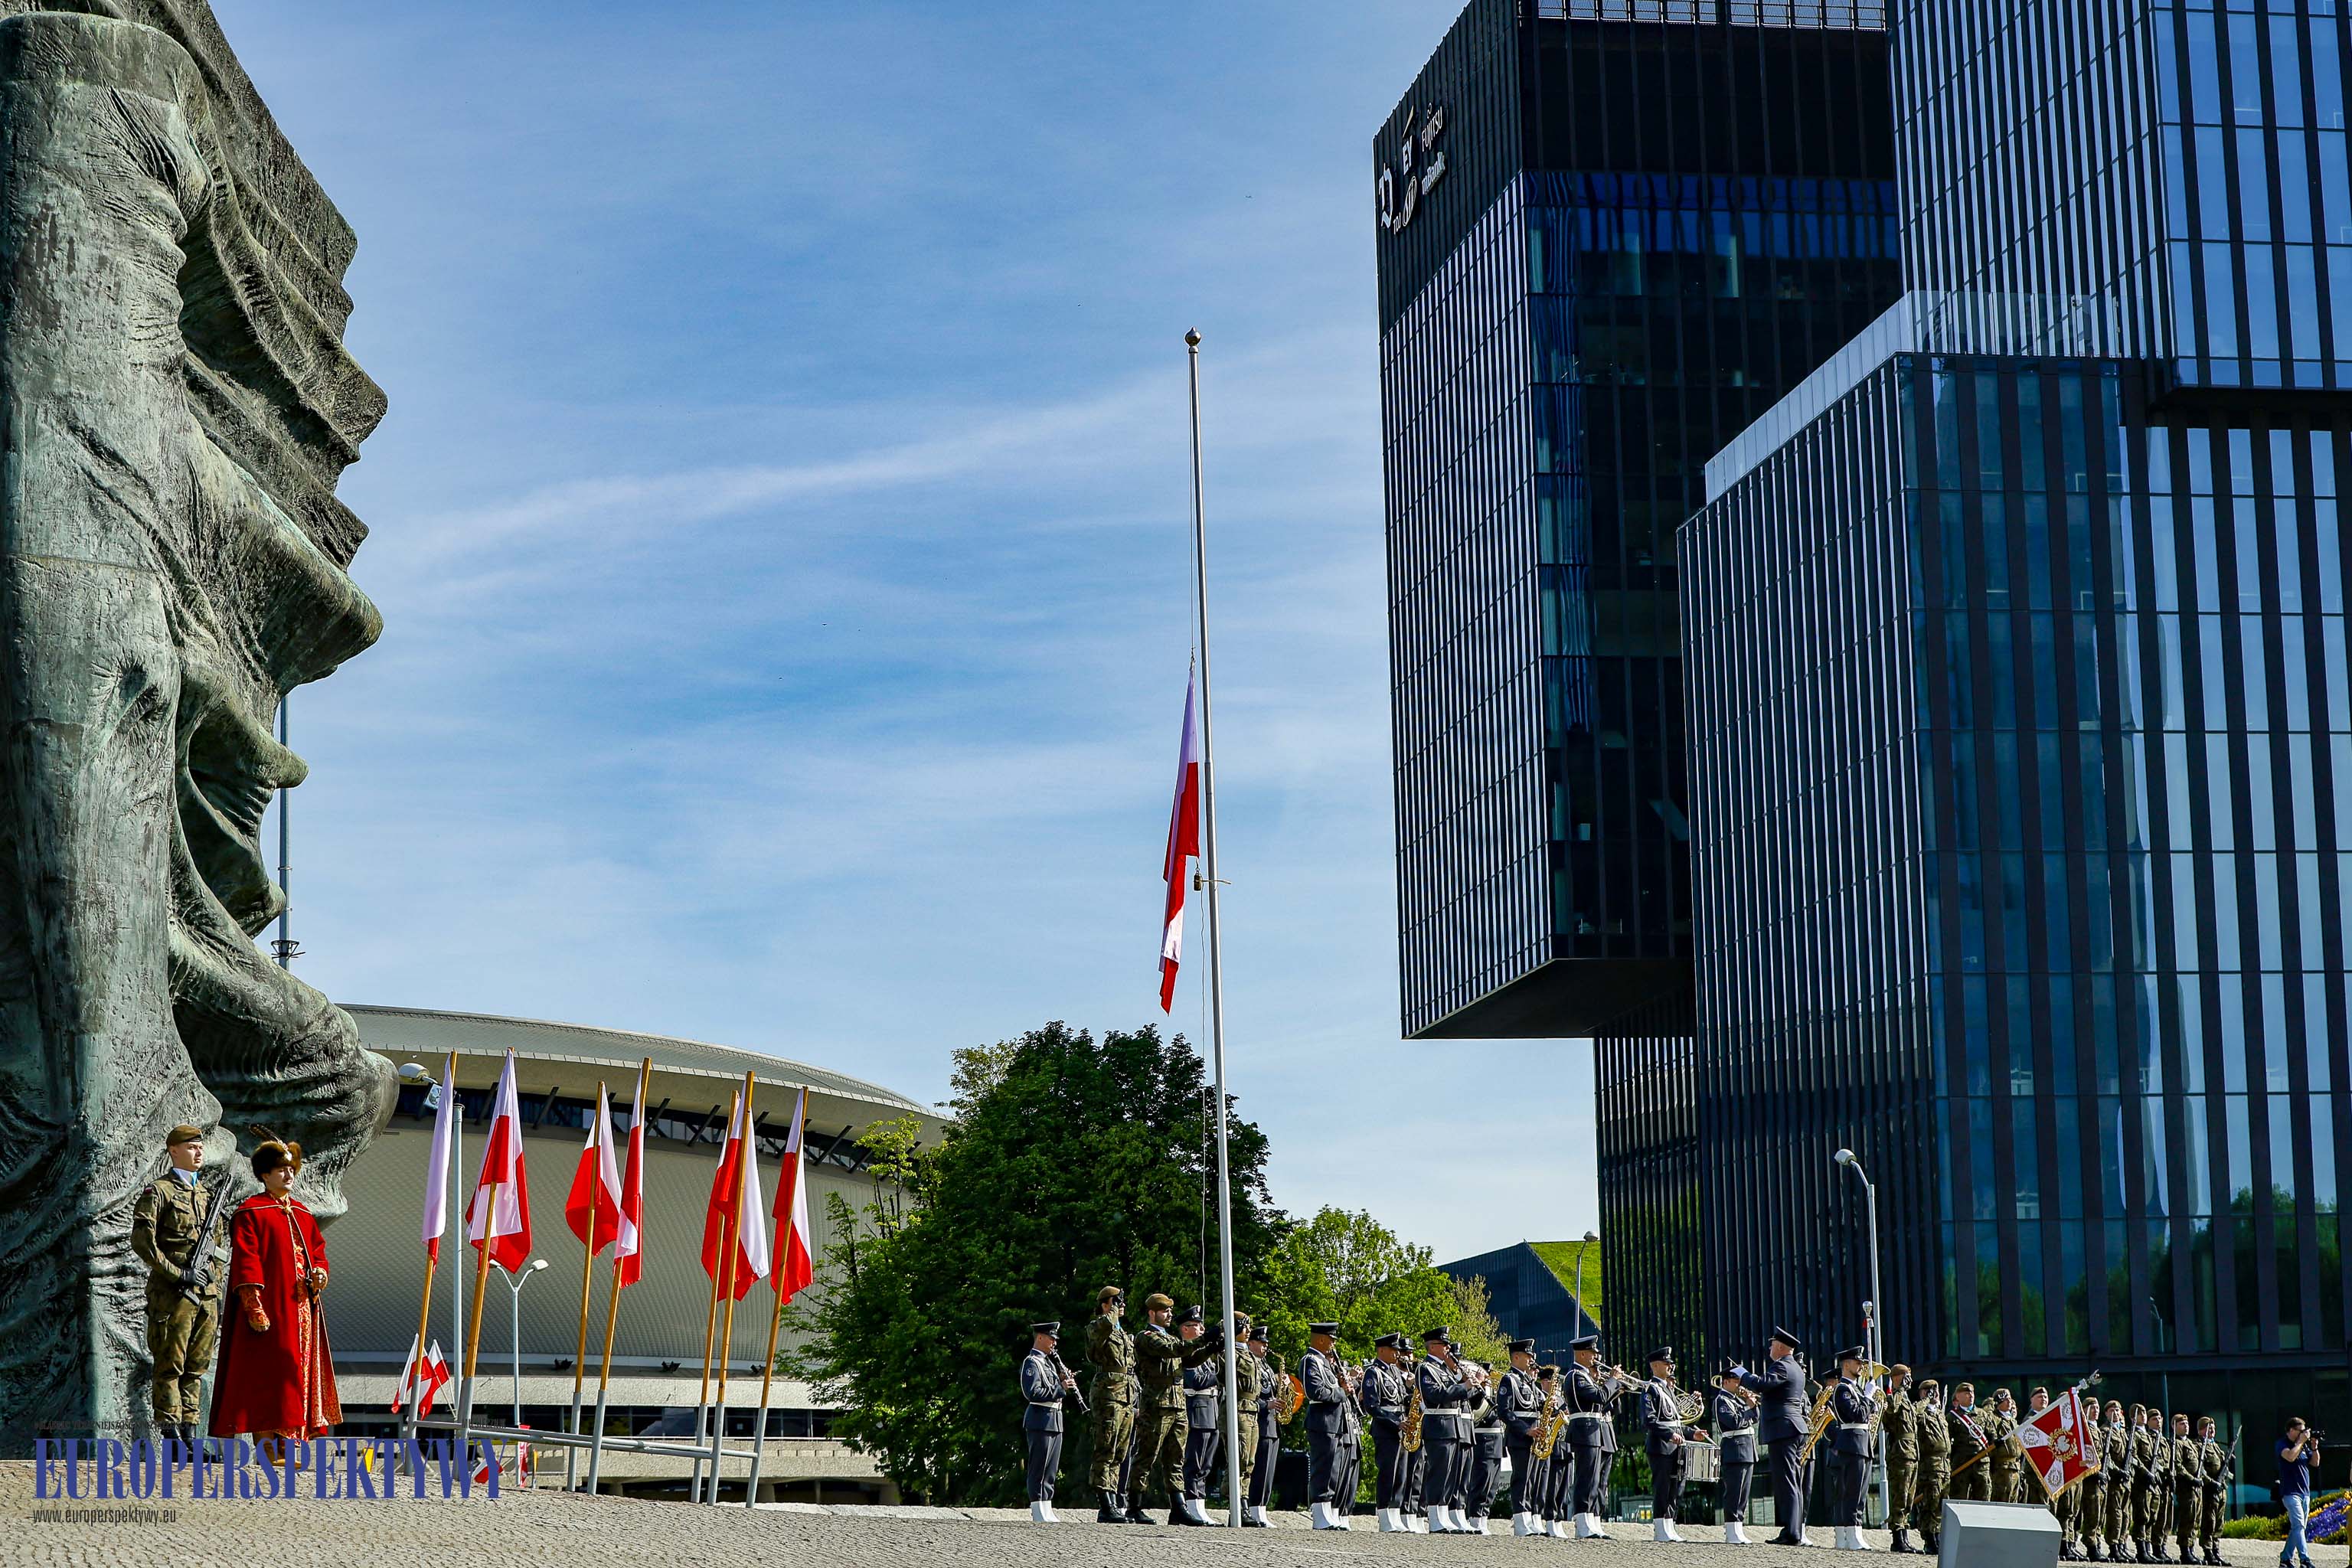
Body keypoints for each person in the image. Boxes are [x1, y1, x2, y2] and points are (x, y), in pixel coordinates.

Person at [206, 1140, 338, 1453]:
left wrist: (320, 1272)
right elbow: (246, 1260)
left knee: (298, 1374)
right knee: (269, 1378)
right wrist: (253, 1304)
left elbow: (317, 1252)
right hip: (271, 1310)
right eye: (282, 1170)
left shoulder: (303, 1213)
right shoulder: (250, 1213)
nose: (289, 1175)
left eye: (291, 1170)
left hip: (303, 1310)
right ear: (265, 1175)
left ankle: (293, 1444)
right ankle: (268, 1446)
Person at [130, 1123, 223, 1449]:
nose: (199, 1153)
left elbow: (218, 1245)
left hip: (205, 1295)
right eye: (192, 1147)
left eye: (200, 1147)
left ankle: (190, 1436)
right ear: (174, 1151)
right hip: (173, 1295)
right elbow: (143, 1242)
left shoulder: (207, 1195)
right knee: (170, 1365)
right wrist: (178, 1274)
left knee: (196, 1368)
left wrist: (214, 1281)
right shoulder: (159, 1192)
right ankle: (171, 1439)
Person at [1132, 1291, 1219, 1524]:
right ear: (1152, 1313)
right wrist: (1204, 1339)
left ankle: (1178, 1507)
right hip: (1156, 1405)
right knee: (1147, 1455)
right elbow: (1176, 1351)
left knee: (1176, 1458)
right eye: (1164, 1311)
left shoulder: (1169, 1337)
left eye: (1170, 1311)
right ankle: (1134, 1504)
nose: (1169, 1314)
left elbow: (1188, 1360)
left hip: (1177, 1405)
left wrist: (1210, 1348)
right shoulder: (1147, 1337)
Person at [1733, 1327, 1812, 1547]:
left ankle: (1791, 1532)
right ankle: (1793, 1529)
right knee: (1793, 1482)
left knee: (1787, 1482)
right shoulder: (1795, 1367)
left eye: (1772, 1344)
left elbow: (1762, 1384)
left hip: (1784, 1429)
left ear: (1779, 1346)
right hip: (1793, 1428)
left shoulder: (1783, 1365)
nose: (1769, 1348)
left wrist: (1742, 1375)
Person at [1083, 1285, 1135, 1523]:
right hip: (1108, 1394)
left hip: (1125, 1395)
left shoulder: (1122, 1333)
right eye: (1116, 1301)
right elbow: (1102, 1329)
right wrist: (1112, 1311)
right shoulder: (1098, 1327)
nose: (1121, 1305)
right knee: (1106, 1448)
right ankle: (1104, 1503)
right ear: (1105, 1304)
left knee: (1120, 1452)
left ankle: (1113, 1501)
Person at [1302, 1321, 1360, 1530]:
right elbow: (1315, 1392)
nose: (1333, 1344)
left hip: (1335, 1422)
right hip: (1322, 1421)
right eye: (1331, 1339)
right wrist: (1342, 1392)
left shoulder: (1326, 1363)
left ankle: (1328, 1511)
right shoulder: (1311, 1361)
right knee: (1323, 1469)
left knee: (1333, 1470)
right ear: (1320, 1339)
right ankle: (1319, 1513)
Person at [1566, 1334, 1625, 1539]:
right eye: (1592, 1353)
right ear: (1582, 1354)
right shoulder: (1575, 1376)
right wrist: (1612, 1381)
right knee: (1586, 1478)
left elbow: (1604, 1404)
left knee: (1597, 1480)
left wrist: (1616, 1388)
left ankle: (1592, 1521)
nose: (1595, 1357)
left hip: (1595, 1429)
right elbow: (1598, 1397)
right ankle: (1582, 1523)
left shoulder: (1587, 1376)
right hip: (1584, 1429)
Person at [1417, 1326, 1473, 1532]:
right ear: (1433, 1346)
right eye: (1444, 1344)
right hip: (1438, 1426)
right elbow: (1436, 1394)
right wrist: (1464, 1387)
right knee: (1438, 1473)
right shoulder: (1426, 1368)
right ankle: (1434, 1516)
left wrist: (1463, 1378)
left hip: (1453, 1426)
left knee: (1450, 1475)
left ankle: (1443, 1512)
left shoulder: (1445, 1369)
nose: (1448, 1348)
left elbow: (1462, 1392)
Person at [1019, 1322, 1075, 1522]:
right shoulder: (1032, 1362)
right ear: (1040, 1337)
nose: (1054, 1343)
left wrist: (1062, 1379)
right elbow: (1032, 1392)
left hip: (1054, 1419)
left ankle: (1047, 1506)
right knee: (1039, 1467)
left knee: (1051, 1469)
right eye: (1051, 1338)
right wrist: (1060, 1387)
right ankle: (1037, 1508)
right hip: (1040, 1419)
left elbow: (1050, 1386)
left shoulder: (1049, 1363)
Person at [1643, 1345, 1700, 1542]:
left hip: (1675, 1446)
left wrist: (1693, 1433)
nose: (1670, 1367)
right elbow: (1650, 1420)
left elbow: (1677, 1423)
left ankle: (1669, 1524)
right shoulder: (1652, 1389)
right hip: (1660, 1446)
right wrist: (1669, 1435)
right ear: (1656, 1365)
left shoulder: (1668, 1390)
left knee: (1676, 1487)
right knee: (1663, 1487)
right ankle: (1660, 1527)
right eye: (1667, 1364)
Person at [1175, 1305, 1222, 1525]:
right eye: (1197, 1326)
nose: (1202, 1329)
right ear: (1185, 1329)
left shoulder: (1204, 1354)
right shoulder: (1184, 1351)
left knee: (1206, 1464)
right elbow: (1194, 1381)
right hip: (1197, 1411)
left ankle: (1200, 1504)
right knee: (1194, 1462)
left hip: (1210, 1411)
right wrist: (1220, 1376)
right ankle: (1191, 1504)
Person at [1828, 1347, 1877, 1551]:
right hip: (1852, 1442)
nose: (1861, 1366)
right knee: (1852, 1492)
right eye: (1857, 1363)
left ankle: (1854, 1533)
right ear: (1846, 1364)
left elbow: (1867, 1414)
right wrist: (1868, 1397)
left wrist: (1868, 1400)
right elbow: (1856, 1414)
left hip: (1862, 1442)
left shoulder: (1855, 1389)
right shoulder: (1842, 1390)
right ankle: (1851, 1533)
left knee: (1861, 1491)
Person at [1361, 1331, 1413, 1531]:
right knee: (1388, 1473)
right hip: (1386, 1430)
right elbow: (1372, 1407)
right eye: (1393, 1350)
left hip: (1401, 1427)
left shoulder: (1394, 1372)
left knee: (1400, 1475)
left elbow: (1400, 1400)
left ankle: (1395, 1512)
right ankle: (1384, 1515)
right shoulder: (1373, 1373)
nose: (1397, 1354)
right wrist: (1395, 1423)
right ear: (1382, 1350)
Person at [1497, 1339, 1546, 1536]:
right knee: (1521, 1479)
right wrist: (1526, 1430)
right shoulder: (1509, 1380)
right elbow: (1505, 1412)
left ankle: (1528, 1517)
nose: (1531, 1359)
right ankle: (1519, 1520)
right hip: (1520, 1437)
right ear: (1516, 1356)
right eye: (1528, 1356)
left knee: (1531, 1480)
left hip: (1534, 1436)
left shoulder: (1528, 1381)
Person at [1716, 1365, 1762, 1546]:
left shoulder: (1737, 1400)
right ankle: (1731, 1530)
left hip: (1747, 1450)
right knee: (1734, 1492)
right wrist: (1749, 1409)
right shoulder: (1722, 1401)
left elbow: (1756, 1417)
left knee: (1744, 1494)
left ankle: (1739, 1528)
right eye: (1736, 1382)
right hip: (1734, 1450)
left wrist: (1751, 1404)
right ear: (1726, 1381)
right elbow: (1735, 1422)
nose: (1739, 1385)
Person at [1465, 1357, 1507, 1534]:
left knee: (1492, 1484)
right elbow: (1475, 1406)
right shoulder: (1477, 1389)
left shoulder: (1492, 1390)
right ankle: (1475, 1517)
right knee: (1481, 1481)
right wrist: (1479, 1384)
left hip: (1497, 1441)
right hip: (1482, 1438)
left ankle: (1483, 1517)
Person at [1244, 1323, 1281, 1527]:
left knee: (1269, 1470)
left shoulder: (1266, 1365)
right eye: (1261, 1343)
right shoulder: (1251, 1363)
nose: (1265, 1347)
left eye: (1266, 1343)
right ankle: (1254, 1508)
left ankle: (1262, 1509)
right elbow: (1247, 1396)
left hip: (1272, 1423)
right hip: (1258, 1421)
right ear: (1251, 1343)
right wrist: (1267, 1405)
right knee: (1257, 1469)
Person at [1229, 1313, 1263, 1527]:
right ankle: (1236, 1506)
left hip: (1251, 1408)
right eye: (1244, 1327)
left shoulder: (1247, 1353)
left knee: (1249, 1462)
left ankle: (1244, 1504)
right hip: (1238, 1407)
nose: (1248, 1330)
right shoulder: (1229, 1352)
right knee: (1239, 1459)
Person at [1882, 1365, 1919, 1553]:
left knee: (1909, 1498)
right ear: (1897, 1378)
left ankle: (1904, 1536)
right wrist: (1899, 1388)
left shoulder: (1907, 1400)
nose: (1910, 1380)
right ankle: (1897, 1539)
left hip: (1912, 1454)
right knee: (1900, 1495)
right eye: (1906, 1376)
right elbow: (1890, 1411)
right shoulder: (1892, 1397)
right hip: (1900, 1455)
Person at [1914, 1378, 1952, 1557]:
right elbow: (1915, 1416)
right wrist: (1925, 1401)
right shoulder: (1921, 1413)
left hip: (1944, 1465)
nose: (1935, 1394)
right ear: (1923, 1393)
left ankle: (1937, 1535)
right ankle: (1929, 1539)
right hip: (1930, 1466)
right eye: (1930, 1391)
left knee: (1941, 1504)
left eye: (1935, 1391)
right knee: (1931, 1503)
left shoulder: (1939, 1414)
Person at [2276, 1418, 2318, 1568]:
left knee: (2298, 1528)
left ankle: (2285, 1559)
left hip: (2305, 1493)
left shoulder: (2304, 1447)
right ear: (2291, 1430)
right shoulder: (2282, 1444)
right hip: (2290, 1492)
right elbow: (2290, 1457)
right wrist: (2300, 1442)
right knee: (2299, 1524)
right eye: (2301, 1431)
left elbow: (2315, 1463)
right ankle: (2305, 1560)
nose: (2304, 1434)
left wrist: (2313, 1448)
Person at [1538, 1362, 1573, 1538]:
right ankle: (1550, 1519)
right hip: (1552, 1444)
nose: (1556, 1384)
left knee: (1564, 1486)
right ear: (1544, 1382)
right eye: (1553, 1381)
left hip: (1564, 1444)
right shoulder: (1542, 1397)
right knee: (1553, 1485)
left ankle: (1559, 1519)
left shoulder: (1560, 1398)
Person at [2138, 1404, 2173, 1563]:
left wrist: (2169, 1475)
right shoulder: (2145, 1437)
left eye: (2159, 1418)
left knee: (2160, 1518)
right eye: (2154, 1418)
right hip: (2145, 1483)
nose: (2158, 1421)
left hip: (2161, 1483)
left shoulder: (2163, 1440)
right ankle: (2143, 1549)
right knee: (2145, 1517)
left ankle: (2158, 1547)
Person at [1946, 1383, 1992, 1502]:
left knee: (1983, 1498)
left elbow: (1992, 1436)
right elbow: (1947, 1442)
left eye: (1972, 1392)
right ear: (1958, 1396)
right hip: (1961, 1464)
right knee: (1960, 1499)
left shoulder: (1983, 1414)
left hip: (1981, 1463)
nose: (1971, 1395)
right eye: (1966, 1393)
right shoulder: (1952, 1417)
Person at [2104, 1401, 2137, 1562]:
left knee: (2125, 1514)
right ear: (2106, 1414)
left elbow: (2133, 1456)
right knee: (2115, 1514)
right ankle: (2114, 1546)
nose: (2115, 1413)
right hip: (2115, 1481)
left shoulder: (2124, 1433)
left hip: (2126, 1480)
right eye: (2112, 1410)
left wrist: (2129, 1472)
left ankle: (2122, 1543)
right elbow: (2106, 1457)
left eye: (2117, 1410)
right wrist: (2120, 1472)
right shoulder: (2106, 1431)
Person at [2194, 1416, 2224, 1566]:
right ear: (2200, 1430)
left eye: (2213, 1427)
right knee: (2209, 1522)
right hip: (2209, 1490)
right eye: (2208, 1427)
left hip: (2220, 1490)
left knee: (2219, 1522)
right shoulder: (2199, 1446)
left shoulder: (2215, 1446)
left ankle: (2216, 1550)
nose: (2212, 1430)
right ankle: (2208, 1551)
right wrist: (2211, 1483)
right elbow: (2200, 1470)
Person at [1987, 1387, 2023, 1506]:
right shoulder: (1994, 1419)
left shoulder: (2012, 1420)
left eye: (2010, 1399)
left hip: (2015, 1467)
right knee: (2002, 1502)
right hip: (2002, 1468)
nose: (2009, 1402)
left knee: (2014, 1503)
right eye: (2006, 1400)